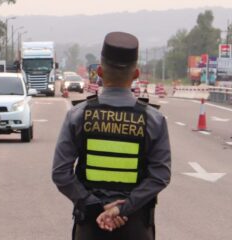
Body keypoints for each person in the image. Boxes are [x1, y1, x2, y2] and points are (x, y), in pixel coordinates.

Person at [52, 31, 171, 240]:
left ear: (99, 71)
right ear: (136, 75)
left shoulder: (78, 116)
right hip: (137, 228)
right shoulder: (154, 119)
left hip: (89, 226)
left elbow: (61, 173)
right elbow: (160, 176)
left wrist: (93, 205)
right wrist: (122, 209)